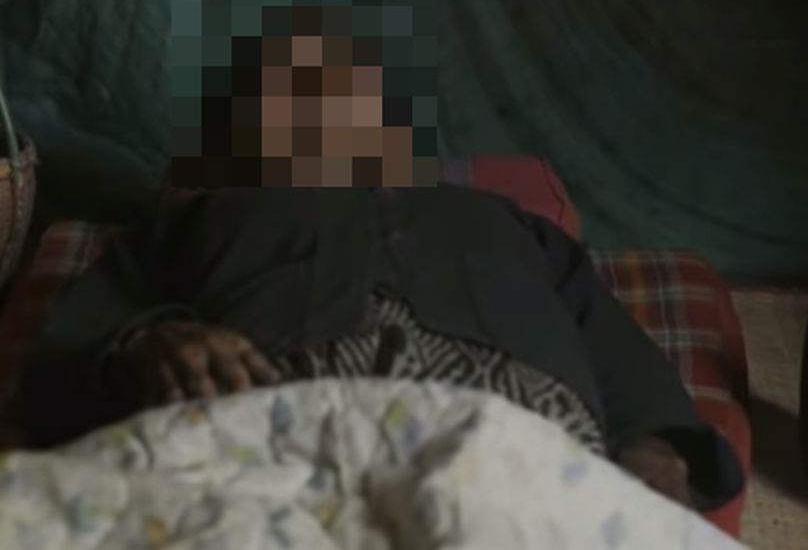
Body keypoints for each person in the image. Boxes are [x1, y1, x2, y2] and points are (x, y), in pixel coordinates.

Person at [11, 184, 744, 512]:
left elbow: (608, 338)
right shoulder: (204, 214)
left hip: (518, 426)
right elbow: (76, 340)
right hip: (269, 415)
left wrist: (657, 442)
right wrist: (149, 339)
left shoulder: (504, 221)